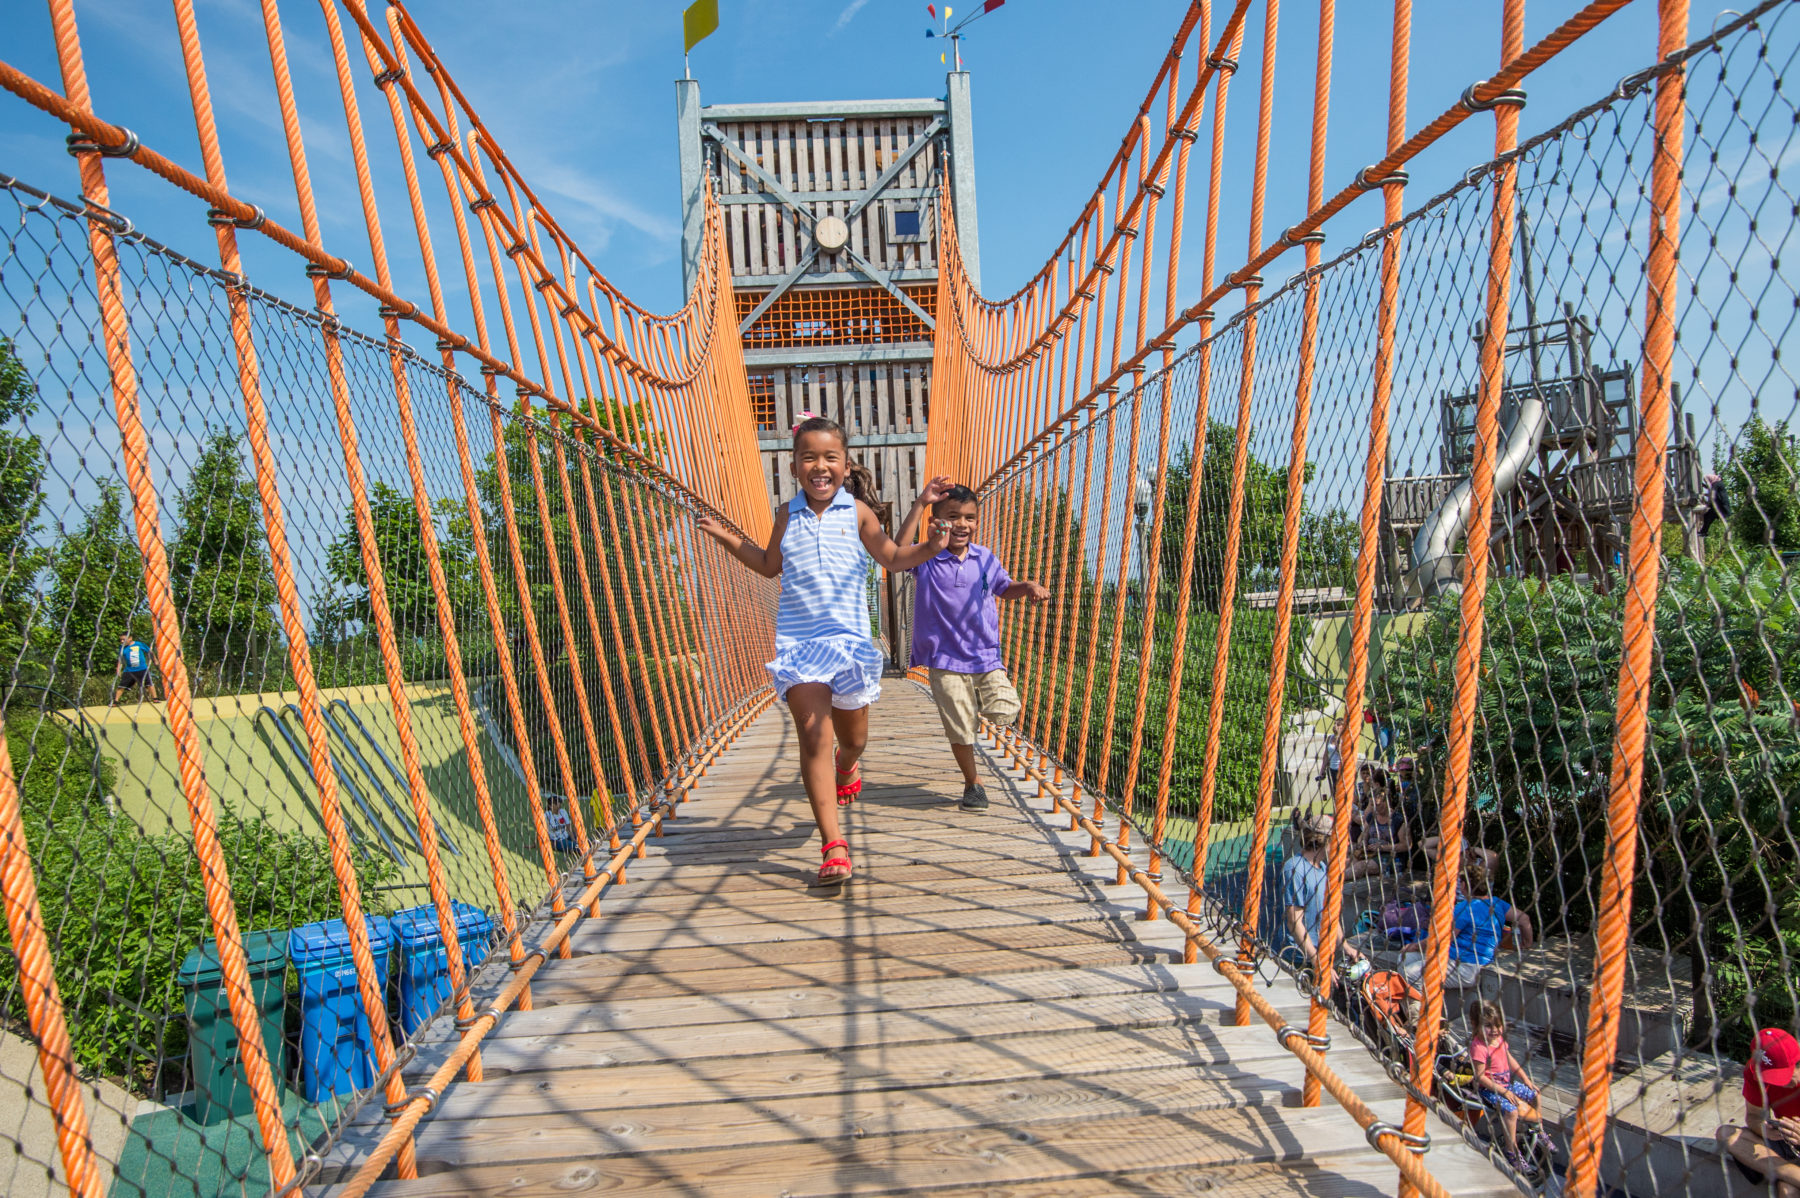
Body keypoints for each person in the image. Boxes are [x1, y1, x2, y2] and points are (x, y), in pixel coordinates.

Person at [698, 415, 947, 886]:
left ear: (845, 463)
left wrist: (932, 547)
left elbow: (893, 558)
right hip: (800, 645)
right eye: (808, 457)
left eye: (830, 457)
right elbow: (770, 566)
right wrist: (726, 536)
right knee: (814, 736)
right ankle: (833, 844)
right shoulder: (786, 514)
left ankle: (847, 767)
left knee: (852, 740)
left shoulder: (858, 513)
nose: (819, 466)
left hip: (850, 645)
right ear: (794, 466)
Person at [895, 481, 1050, 810]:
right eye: (953, 517)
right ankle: (973, 783)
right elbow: (897, 550)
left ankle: (972, 708)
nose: (963, 525)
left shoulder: (984, 558)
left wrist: (1029, 586)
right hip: (944, 658)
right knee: (961, 730)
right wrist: (922, 502)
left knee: (1006, 709)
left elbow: (1004, 588)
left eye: (970, 518)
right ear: (936, 521)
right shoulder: (926, 556)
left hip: (985, 656)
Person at [1403, 858, 1533, 987]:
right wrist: (1526, 943)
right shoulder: (1497, 904)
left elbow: (1444, 939)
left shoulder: (1464, 908)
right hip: (1471, 962)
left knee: (1408, 973)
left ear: (1463, 886)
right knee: (1404, 959)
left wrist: (1415, 946)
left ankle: (1420, 1006)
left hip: (1465, 967)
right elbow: (1524, 919)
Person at [1718, 1028, 1800, 1198]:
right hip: (1788, 1143)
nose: (1772, 1082)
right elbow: (1754, 1116)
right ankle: (1792, 1173)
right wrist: (1763, 1128)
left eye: (1779, 1076)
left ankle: (1788, 1174)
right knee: (1726, 1134)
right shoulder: (1755, 1072)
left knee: (1787, 1189)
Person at [1282, 812, 1363, 969]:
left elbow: (1329, 914)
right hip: (1300, 958)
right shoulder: (1295, 869)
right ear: (1323, 840)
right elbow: (1294, 921)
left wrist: (1346, 947)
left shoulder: (1323, 868)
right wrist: (1315, 959)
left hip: (1321, 953)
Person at [1468, 998, 1542, 1169]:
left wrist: (1525, 1079)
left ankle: (1538, 1129)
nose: (1494, 1031)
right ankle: (1511, 1151)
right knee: (1511, 1111)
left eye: (1498, 1026)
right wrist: (1503, 1092)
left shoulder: (1499, 1039)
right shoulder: (1479, 1047)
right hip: (1490, 1090)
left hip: (1506, 1085)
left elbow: (1510, 1059)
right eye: (1488, 1026)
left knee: (1536, 1094)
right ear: (1475, 1025)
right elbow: (1480, 1077)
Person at [1348, 774, 1412, 881]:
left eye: (1377, 805)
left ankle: (1333, 883)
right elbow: (1364, 835)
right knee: (1346, 862)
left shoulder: (1399, 820)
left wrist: (1383, 847)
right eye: (1372, 805)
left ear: (1387, 802)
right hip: (1371, 854)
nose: (1374, 808)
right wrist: (1361, 843)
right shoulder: (1371, 817)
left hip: (1391, 858)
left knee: (1361, 867)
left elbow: (1406, 845)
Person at [112, 631, 158, 705]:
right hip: (129, 670)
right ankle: (115, 701)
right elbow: (120, 659)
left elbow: (149, 651)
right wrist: (118, 669)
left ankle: (155, 699)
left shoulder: (139, 644)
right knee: (121, 686)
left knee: (149, 684)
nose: (122, 641)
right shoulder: (122, 648)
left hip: (142, 669)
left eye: (124, 639)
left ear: (130, 638)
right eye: (121, 640)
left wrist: (155, 660)